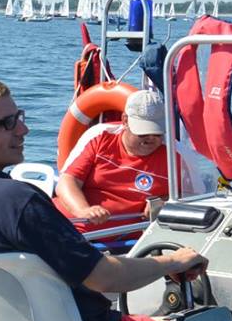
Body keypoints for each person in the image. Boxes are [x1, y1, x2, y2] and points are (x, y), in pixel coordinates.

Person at [0, 76, 208, 321]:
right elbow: (106, 278)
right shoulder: (20, 202)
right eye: (8, 123)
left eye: (20, 118)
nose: (23, 130)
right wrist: (175, 262)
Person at [53, 88, 202, 225]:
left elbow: (197, 199)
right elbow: (67, 181)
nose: (150, 138)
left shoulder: (177, 155)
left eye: (157, 133)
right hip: (67, 223)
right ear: (125, 121)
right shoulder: (100, 136)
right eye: (143, 132)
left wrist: (165, 202)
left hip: (123, 235)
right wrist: (83, 210)